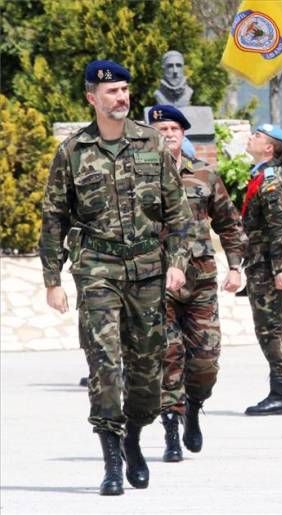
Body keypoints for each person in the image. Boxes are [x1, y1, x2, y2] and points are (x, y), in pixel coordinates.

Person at [39, 60, 194, 495]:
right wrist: (52, 278)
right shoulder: (73, 151)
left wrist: (177, 262)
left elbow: (178, 215)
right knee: (104, 363)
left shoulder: (151, 143)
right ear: (92, 97)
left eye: (125, 90)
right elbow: (53, 217)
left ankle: (133, 437)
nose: (122, 98)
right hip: (96, 270)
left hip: (147, 271)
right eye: (112, 92)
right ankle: (110, 461)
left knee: (147, 370)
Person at [147, 105, 247, 462]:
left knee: (205, 361)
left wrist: (235, 267)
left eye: (174, 128)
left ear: (183, 134)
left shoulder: (205, 176)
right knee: (167, 356)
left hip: (201, 281)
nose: (169, 133)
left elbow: (230, 224)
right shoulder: (139, 179)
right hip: (157, 282)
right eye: (161, 128)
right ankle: (171, 429)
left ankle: (193, 407)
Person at [241, 124, 282, 416]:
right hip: (259, 263)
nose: (251, 137)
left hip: (267, 265)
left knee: (270, 328)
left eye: (258, 136)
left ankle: (281, 394)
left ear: (269, 148)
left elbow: (281, 229)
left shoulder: (271, 182)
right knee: (267, 327)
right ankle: (280, 391)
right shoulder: (261, 177)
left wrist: (278, 269)